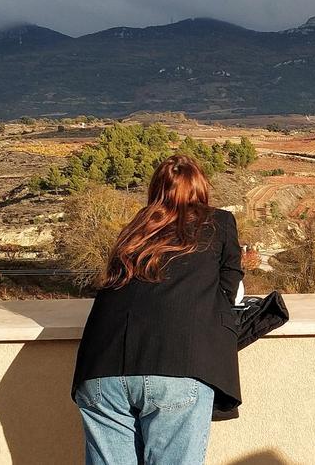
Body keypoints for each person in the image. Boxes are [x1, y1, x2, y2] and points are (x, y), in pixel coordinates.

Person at [71, 154, 244, 464]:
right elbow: (229, 290)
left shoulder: (135, 228)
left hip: (101, 369)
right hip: (178, 365)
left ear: (155, 190)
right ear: (201, 188)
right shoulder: (219, 221)